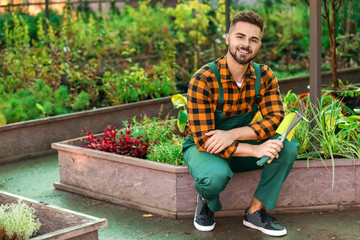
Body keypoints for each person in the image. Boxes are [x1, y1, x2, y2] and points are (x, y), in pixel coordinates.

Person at [182, 10, 299, 237]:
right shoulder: (203, 79)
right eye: (240, 37)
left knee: (287, 148)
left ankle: (255, 212)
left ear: (259, 45)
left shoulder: (264, 76)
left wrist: (232, 134)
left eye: (253, 40)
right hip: (207, 151)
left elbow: (274, 119)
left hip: (237, 145)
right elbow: (205, 140)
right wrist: (256, 149)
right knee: (214, 176)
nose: (246, 44)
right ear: (228, 38)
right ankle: (206, 200)